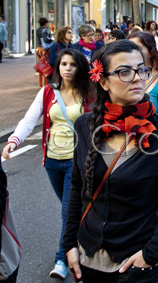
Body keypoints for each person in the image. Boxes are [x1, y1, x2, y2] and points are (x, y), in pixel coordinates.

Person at [61, 40, 158, 282]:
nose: (137, 78)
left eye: (141, 69)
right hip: (89, 259)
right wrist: (69, 244)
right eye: (124, 72)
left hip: (140, 262)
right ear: (103, 80)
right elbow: (77, 188)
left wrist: (153, 253)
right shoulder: (85, 126)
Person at [2, 49, 94, 280]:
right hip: (52, 161)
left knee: (67, 211)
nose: (67, 68)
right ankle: (81, 245)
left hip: (76, 163)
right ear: (57, 67)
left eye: (73, 64)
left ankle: (62, 259)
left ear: (79, 68)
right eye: (63, 64)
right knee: (72, 209)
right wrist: (14, 140)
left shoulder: (89, 94)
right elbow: (30, 119)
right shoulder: (47, 93)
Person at [128, 32, 158, 124]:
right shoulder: (122, 79)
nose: (132, 53)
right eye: (129, 49)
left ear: (150, 52)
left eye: (138, 48)